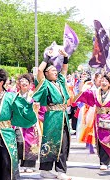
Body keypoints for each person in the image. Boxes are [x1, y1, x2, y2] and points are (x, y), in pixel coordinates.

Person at [32, 49, 71, 180]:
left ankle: (61, 171)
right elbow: (39, 71)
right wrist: (46, 57)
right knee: (50, 142)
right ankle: (45, 170)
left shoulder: (60, 82)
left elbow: (64, 70)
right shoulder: (44, 83)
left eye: (55, 70)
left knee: (64, 143)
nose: (55, 72)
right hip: (52, 115)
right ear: (46, 74)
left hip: (63, 115)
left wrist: (65, 57)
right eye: (52, 71)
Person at [74, 74, 110, 171]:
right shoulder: (95, 93)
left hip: (109, 119)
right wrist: (82, 83)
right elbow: (83, 94)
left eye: (106, 81)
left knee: (107, 140)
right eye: (102, 80)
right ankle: (102, 161)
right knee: (99, 140)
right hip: (98, 118)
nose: (103, 82)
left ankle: (105, 162)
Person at [16, 73, 41, 173]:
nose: (24, 83)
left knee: (31, 143)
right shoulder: (15, 95)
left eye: (26, 81)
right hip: (19, 123)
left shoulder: (34, 95)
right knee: (19, 142)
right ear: (19, 84)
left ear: (30, 84)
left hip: (31, 122)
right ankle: (18, 163)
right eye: (22, 81)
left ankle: (29, 165)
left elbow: (40, 108)